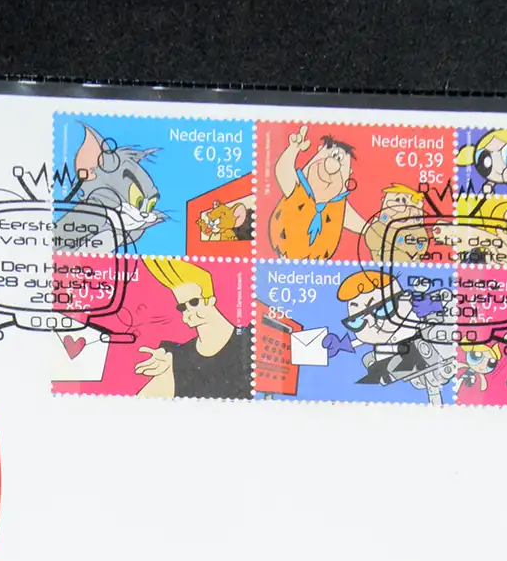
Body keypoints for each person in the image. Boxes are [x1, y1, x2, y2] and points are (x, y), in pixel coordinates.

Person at [134, 259, 252, 398]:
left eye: (194, 302)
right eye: (182, 307)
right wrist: (164, 374)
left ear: (211, 300)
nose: (188, 311)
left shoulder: (249, 340)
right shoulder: (178, 357)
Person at [268, 127, 368, 259]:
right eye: (331, 155)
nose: (332, 166)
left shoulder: (339, 206)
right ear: (319, 152)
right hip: (283, 252)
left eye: (340, 161)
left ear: (349, 173)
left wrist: (372, 229)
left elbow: (355, 222)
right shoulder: (298, 187)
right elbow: (283, 170)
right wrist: (293, 149)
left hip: (317, 260)